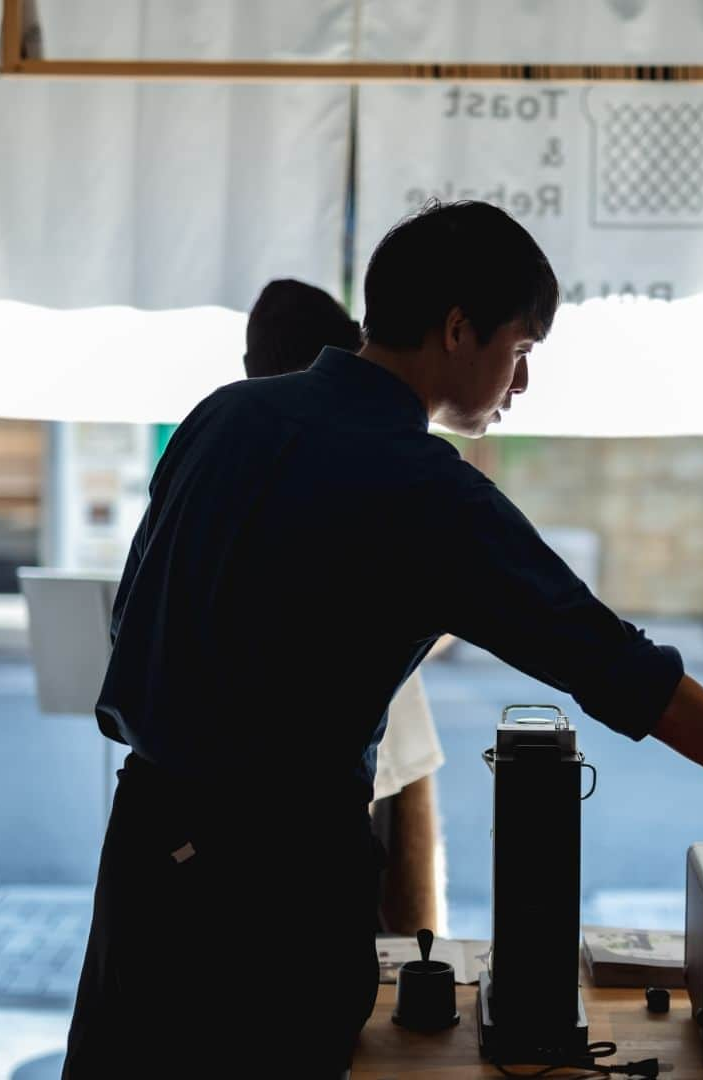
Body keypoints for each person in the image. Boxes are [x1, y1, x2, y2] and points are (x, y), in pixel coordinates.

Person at [63, 200, 703, 1079]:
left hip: (145, 855)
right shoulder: (429, 494)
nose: (519, 387)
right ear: (457, 329)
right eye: (519, 354)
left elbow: (133, 616)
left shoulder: (224, 418)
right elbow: (624, 673)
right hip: (278, 894)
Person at [244, 277, 446, 934]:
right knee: (377, 942)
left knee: (353, 939)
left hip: (328, 766)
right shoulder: (383, 462)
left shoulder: (240, 449)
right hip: (343, 765)